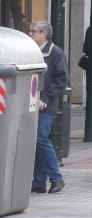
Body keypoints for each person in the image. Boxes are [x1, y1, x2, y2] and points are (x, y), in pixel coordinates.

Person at [29, 21, 68, 195]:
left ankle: (56, 178)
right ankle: (38, 182)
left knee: (41, 140)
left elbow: (61, 80)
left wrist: (45, 97)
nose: (30, 34)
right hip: (32, 103)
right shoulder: (32, 51)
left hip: (47, 105)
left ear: (44, 34)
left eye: (33, 31)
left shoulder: (55, 52)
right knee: (36, 143)